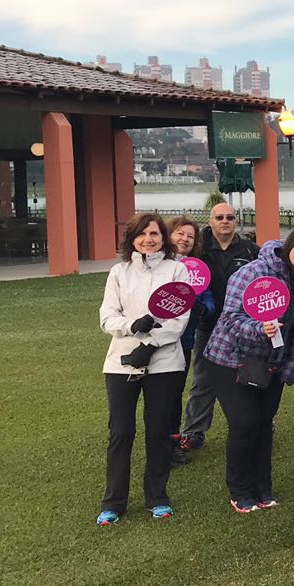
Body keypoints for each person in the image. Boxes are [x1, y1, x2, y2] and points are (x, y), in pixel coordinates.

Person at [204, 228, 294, 512]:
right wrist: (259, 328)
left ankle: (263, 488)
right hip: (230, 359)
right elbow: (230, 318)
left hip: (271, 365)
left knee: (264, 425)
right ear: (289, 244)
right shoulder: (253, 272)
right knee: (245, 423)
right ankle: (240, 490)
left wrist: (287, 370)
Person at [96, 214, 192, 525]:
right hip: (120, 362)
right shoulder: (119, 272)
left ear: (163, 237)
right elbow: (107, 317)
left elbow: (178, 320)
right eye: (142, 234)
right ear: (132, 239)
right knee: (121, 432)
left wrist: (149, 346)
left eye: (154, 234)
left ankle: (157, 496)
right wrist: (132, 325)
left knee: (158, 431)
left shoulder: (177, 270)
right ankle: (114, 502)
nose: (148, 239)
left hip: (165, 363)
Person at [175, 201, 258, 460]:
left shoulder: (249, 249)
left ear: (236, 221)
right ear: (210, 221)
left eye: (230, 217)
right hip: (208, 326)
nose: (225, 221)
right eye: (219, 217)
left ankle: (259, 423)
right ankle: (193, 431)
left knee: (250, 378)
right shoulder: (198, 250)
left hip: (243, 326)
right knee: (203, 380)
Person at [166, 216, 214, 465]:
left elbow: (209, 301)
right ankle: (159, 444)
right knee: (159, 397)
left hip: (182, 343)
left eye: (190, 236)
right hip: (153, 342)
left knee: (174, 395)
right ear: (169, 235)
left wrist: (201, 308)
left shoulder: (196, 270)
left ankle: (172, 444)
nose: (185, 239)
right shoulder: (158, 266)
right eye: (180, 233)